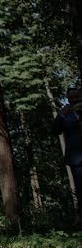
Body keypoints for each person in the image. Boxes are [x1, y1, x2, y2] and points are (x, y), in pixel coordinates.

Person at [52, 86, 82, 226]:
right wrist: (61, 115)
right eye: (71, 98)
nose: (74, 100)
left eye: (77, 97)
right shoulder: (65, 114)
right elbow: (54, 130)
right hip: (77, 159)